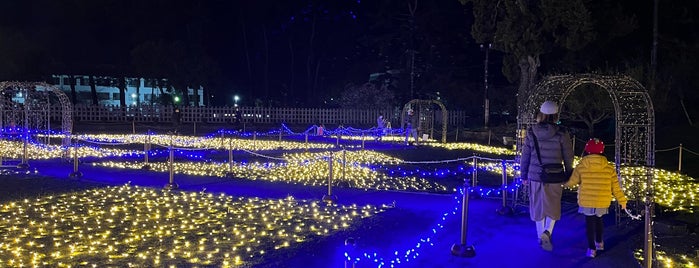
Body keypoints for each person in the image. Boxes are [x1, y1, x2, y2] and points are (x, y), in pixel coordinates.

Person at [520, 100, 574, 251]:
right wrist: (569, 174)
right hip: (555, 175)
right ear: (555, 115)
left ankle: (540, 236)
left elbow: (525, 156)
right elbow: (568, 156)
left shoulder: (532, 132)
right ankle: (547, 232)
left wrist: (523, 175)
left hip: (535, 174)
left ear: (541, 114)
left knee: (538, 206)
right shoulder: (562, 132)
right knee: (553, 205)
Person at [564, 138, 628, 258]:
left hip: (586, 200)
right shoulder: (609, 167)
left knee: (589, 224)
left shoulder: (582, 165)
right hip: (602, 200)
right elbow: (616, 187)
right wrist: (622, 201)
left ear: (587, 150)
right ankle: (599, 242)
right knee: (599, 221)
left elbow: (572, 182)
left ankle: (591, 249)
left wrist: (561, 183)